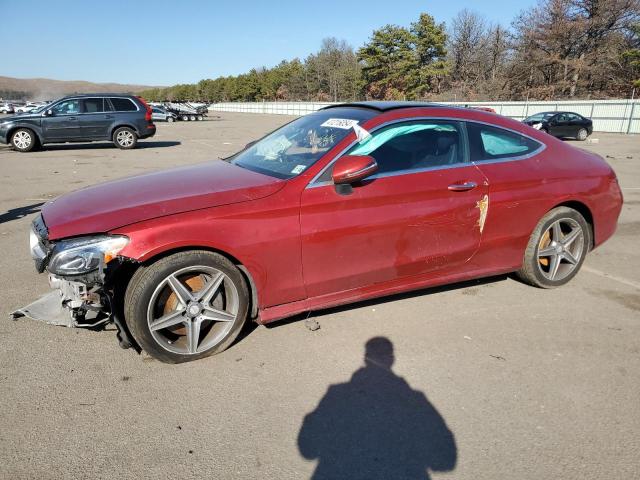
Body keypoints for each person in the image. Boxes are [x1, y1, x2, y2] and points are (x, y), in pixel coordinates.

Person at [298, 337, 457, 479]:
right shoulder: (415, 399)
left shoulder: (335, 393)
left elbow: (307, 449)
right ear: (392, 359)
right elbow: (445, 460)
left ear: (365, 358)